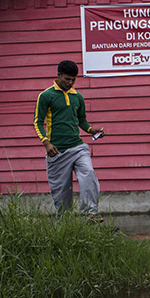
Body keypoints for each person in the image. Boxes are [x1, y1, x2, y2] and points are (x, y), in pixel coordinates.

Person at [33, 60, 107, 217]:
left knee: (88, 174)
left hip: (78, 147)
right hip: (57, 151)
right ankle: (65, 222)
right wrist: (46, 143)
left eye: (73, 80)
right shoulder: (46, 96)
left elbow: (81, 120)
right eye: (67, 79)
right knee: (61, 193)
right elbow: (37, 122)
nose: (70, 83)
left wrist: (91, 130)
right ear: (58, 75)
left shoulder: (77, 97)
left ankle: (90, 215)